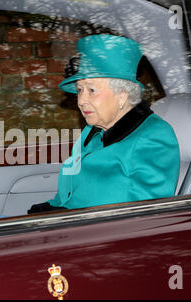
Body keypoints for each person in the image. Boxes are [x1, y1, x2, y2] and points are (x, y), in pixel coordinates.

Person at [28, 34, 180, 214]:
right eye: (79, 90)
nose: (81, 101)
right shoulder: (91, 132)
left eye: (92, 90)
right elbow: (68, 196)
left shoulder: (154, 137)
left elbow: (146, 217)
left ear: (122, 94)